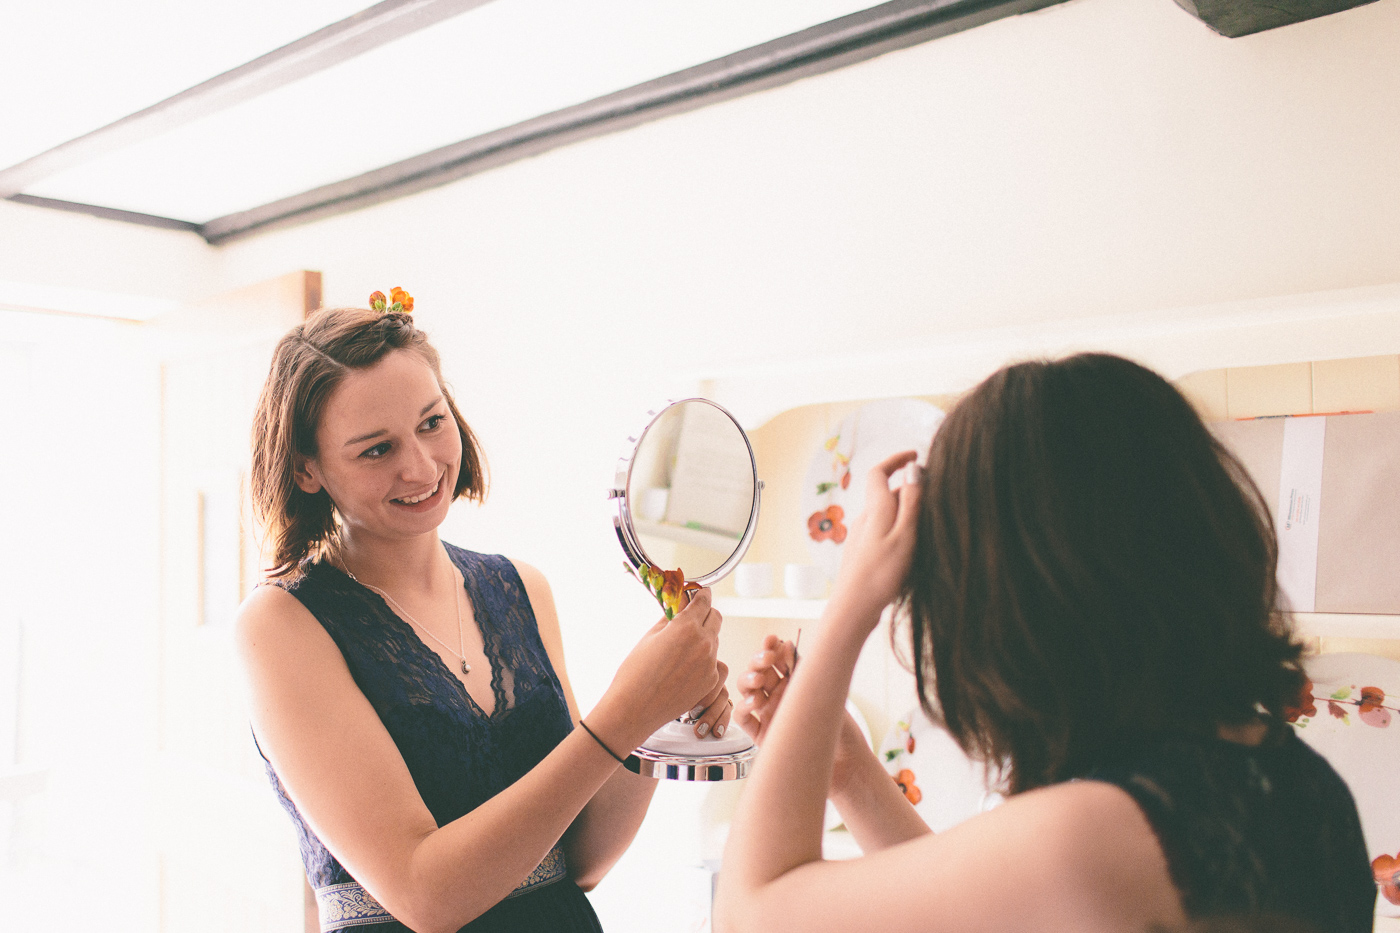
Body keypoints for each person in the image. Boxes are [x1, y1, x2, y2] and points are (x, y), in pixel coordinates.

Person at [716, 353, 1375, 933]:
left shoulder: (1090, 837)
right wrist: (853, 775)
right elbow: (997, 906)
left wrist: (851, 600)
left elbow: (750, 916)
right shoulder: (1306, 789)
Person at [235, 298, 733, 933]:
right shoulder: (280, 626)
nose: (419, 466)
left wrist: (656, 720)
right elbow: (426, 897)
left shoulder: (521, 588)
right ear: (306, 468)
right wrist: (625, 710)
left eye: (432, 423)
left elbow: (577, 861)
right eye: (376, 449)